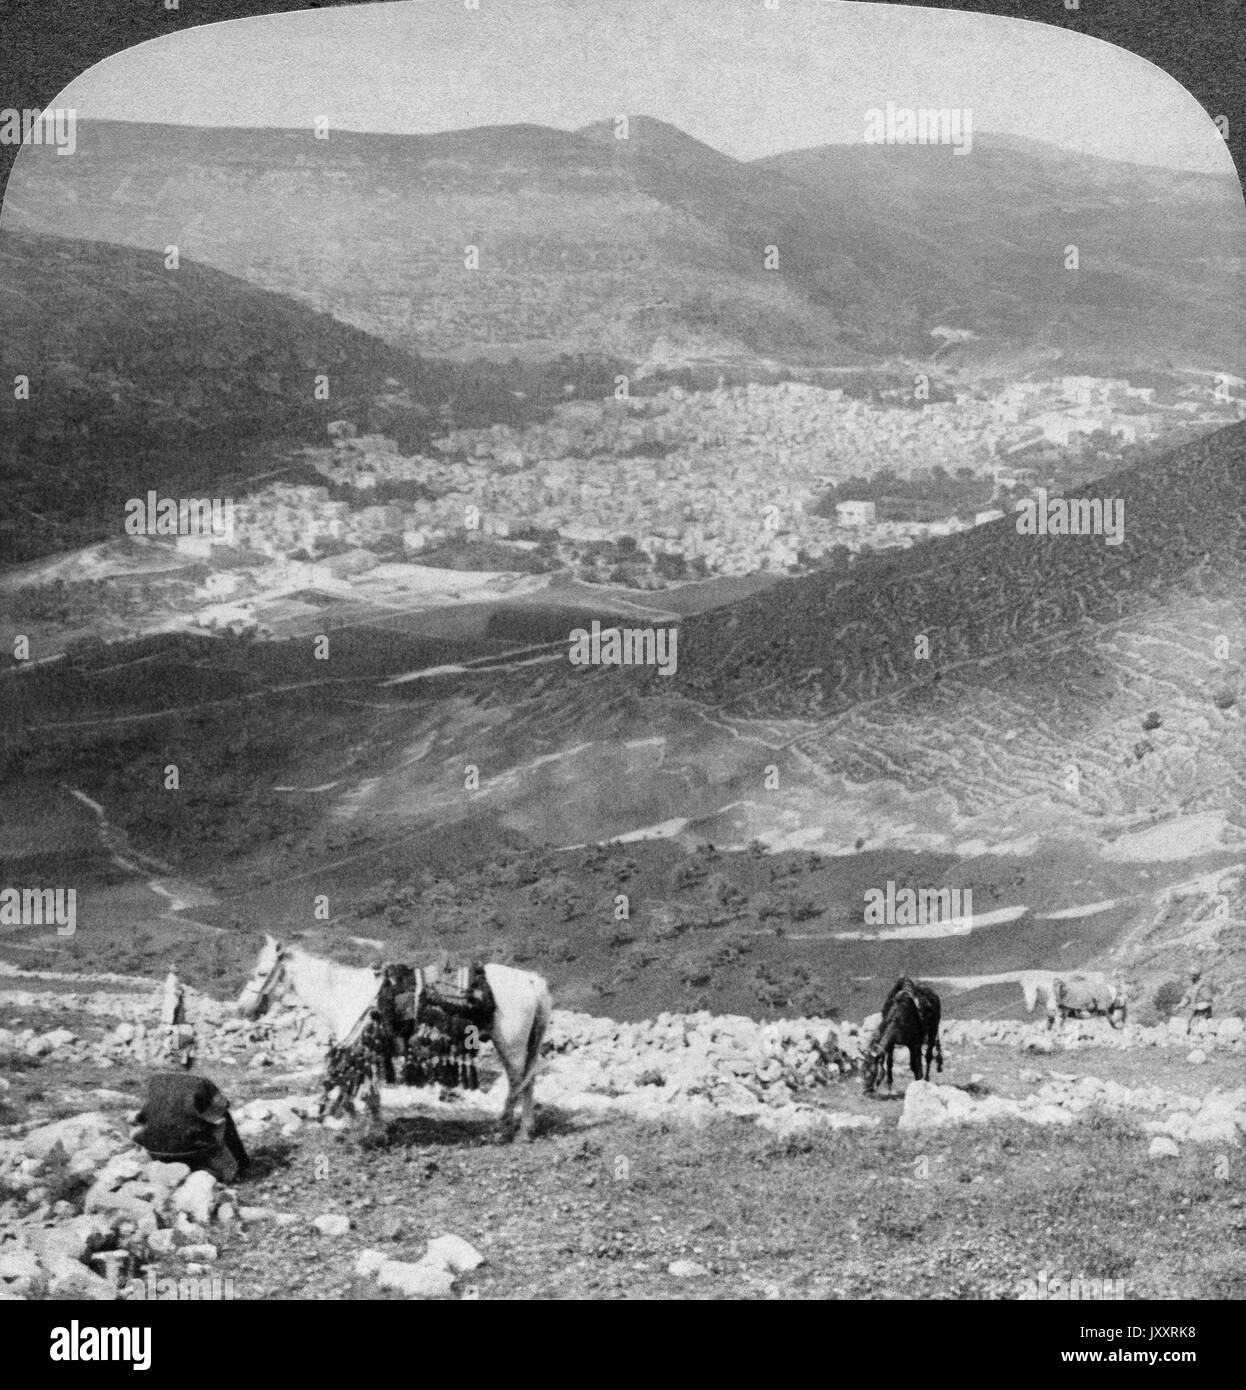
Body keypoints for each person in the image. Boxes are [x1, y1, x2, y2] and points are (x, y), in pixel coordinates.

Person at [131, 1072, 249, 1182]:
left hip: (153, 1149)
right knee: (224, 1116)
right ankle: (241, 1163)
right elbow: (223, 1105)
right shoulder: (201, 1082)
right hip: (190, 1150)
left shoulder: (156, 1080)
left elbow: (141, 1118)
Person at [1176, 968, 1214, 1034]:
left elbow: (1209, 1001)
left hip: (1204, 1013)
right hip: (1194, 1012)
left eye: (1190, 975)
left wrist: (1198, 1006)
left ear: (1195, 976)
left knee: (1201, 1029)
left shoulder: (1203, 986)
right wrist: (1180, 1005)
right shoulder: (1192, 986)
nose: (1189, 977)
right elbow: (1187, 997)